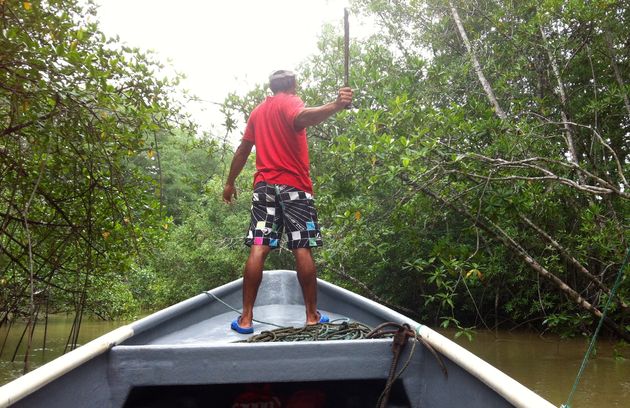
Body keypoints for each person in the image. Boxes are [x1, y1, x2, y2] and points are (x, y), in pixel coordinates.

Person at [222, 70, 353, 334]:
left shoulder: (258, 112)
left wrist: (229, 182)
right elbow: (304, 117)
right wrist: (336, 105)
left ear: (271, 87)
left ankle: (246, 320)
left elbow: (243, 149)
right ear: (292, 86)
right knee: (302, 248)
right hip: (294, 187)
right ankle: (312, 316)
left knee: (259, 247)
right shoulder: (292, 101)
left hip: (264, 188)